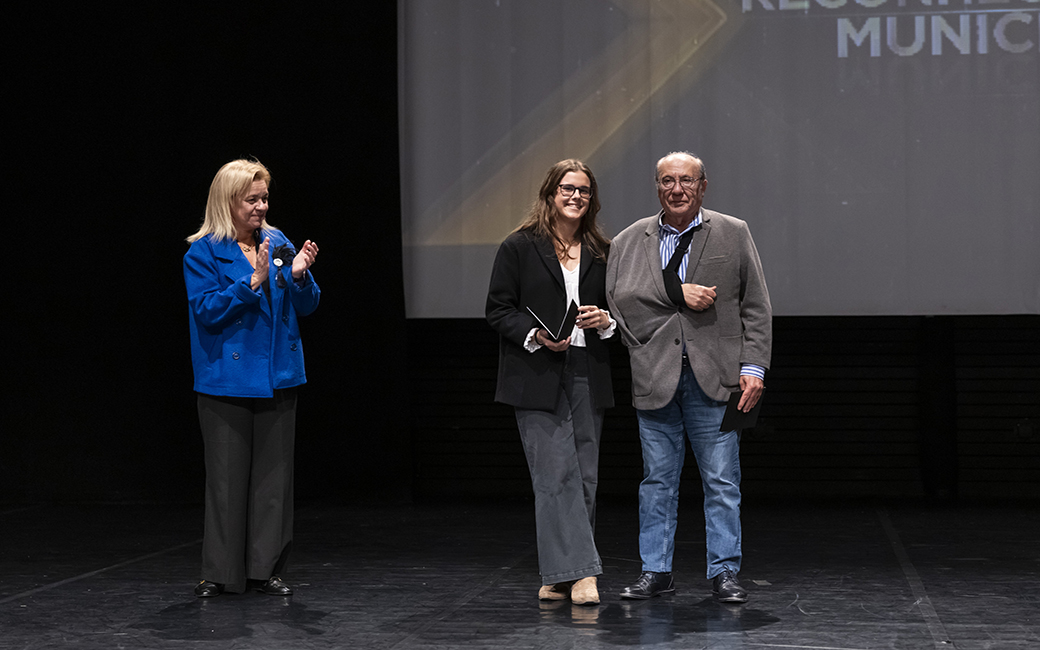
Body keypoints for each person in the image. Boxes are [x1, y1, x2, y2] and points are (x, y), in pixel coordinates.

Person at [606, 152, 771, 603]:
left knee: (722, 481)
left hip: (718, 378)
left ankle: (724, 573)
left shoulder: (732, 232)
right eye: (666, 182)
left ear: (703, 185)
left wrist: (753, 367)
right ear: (656, 187)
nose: (676, 189)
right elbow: (619, 300)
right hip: (654, 376)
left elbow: (755, 304)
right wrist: (673, 299)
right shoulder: (628, 240)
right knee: (656, 481)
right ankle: (656, 571)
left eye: (686, 181)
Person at [183, 159, 320, 598]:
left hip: (278, 374)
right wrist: (254, 282)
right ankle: (220, 572)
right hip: (227, 378)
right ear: (229, 201)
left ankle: (267, 569)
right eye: (252, 199)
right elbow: (205, 310)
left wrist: (298, 276)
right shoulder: (202, 251)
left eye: (264, 198)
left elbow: (307, 304)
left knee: (273, 479)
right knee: (226, 480)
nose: (261, 207)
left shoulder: (278, 241)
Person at [486, 159, 616, 605]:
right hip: (537, 370)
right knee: (553, 471)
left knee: (585, 473)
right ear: (549, 194)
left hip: (587, 368)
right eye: (567, 188)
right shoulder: (519, 246)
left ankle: (559, 576)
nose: (576, 196)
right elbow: (498, 309)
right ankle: (582, 576)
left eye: (584, 190)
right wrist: (536, 335)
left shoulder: (602, 249)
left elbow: (620, 312)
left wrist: (605, 320)